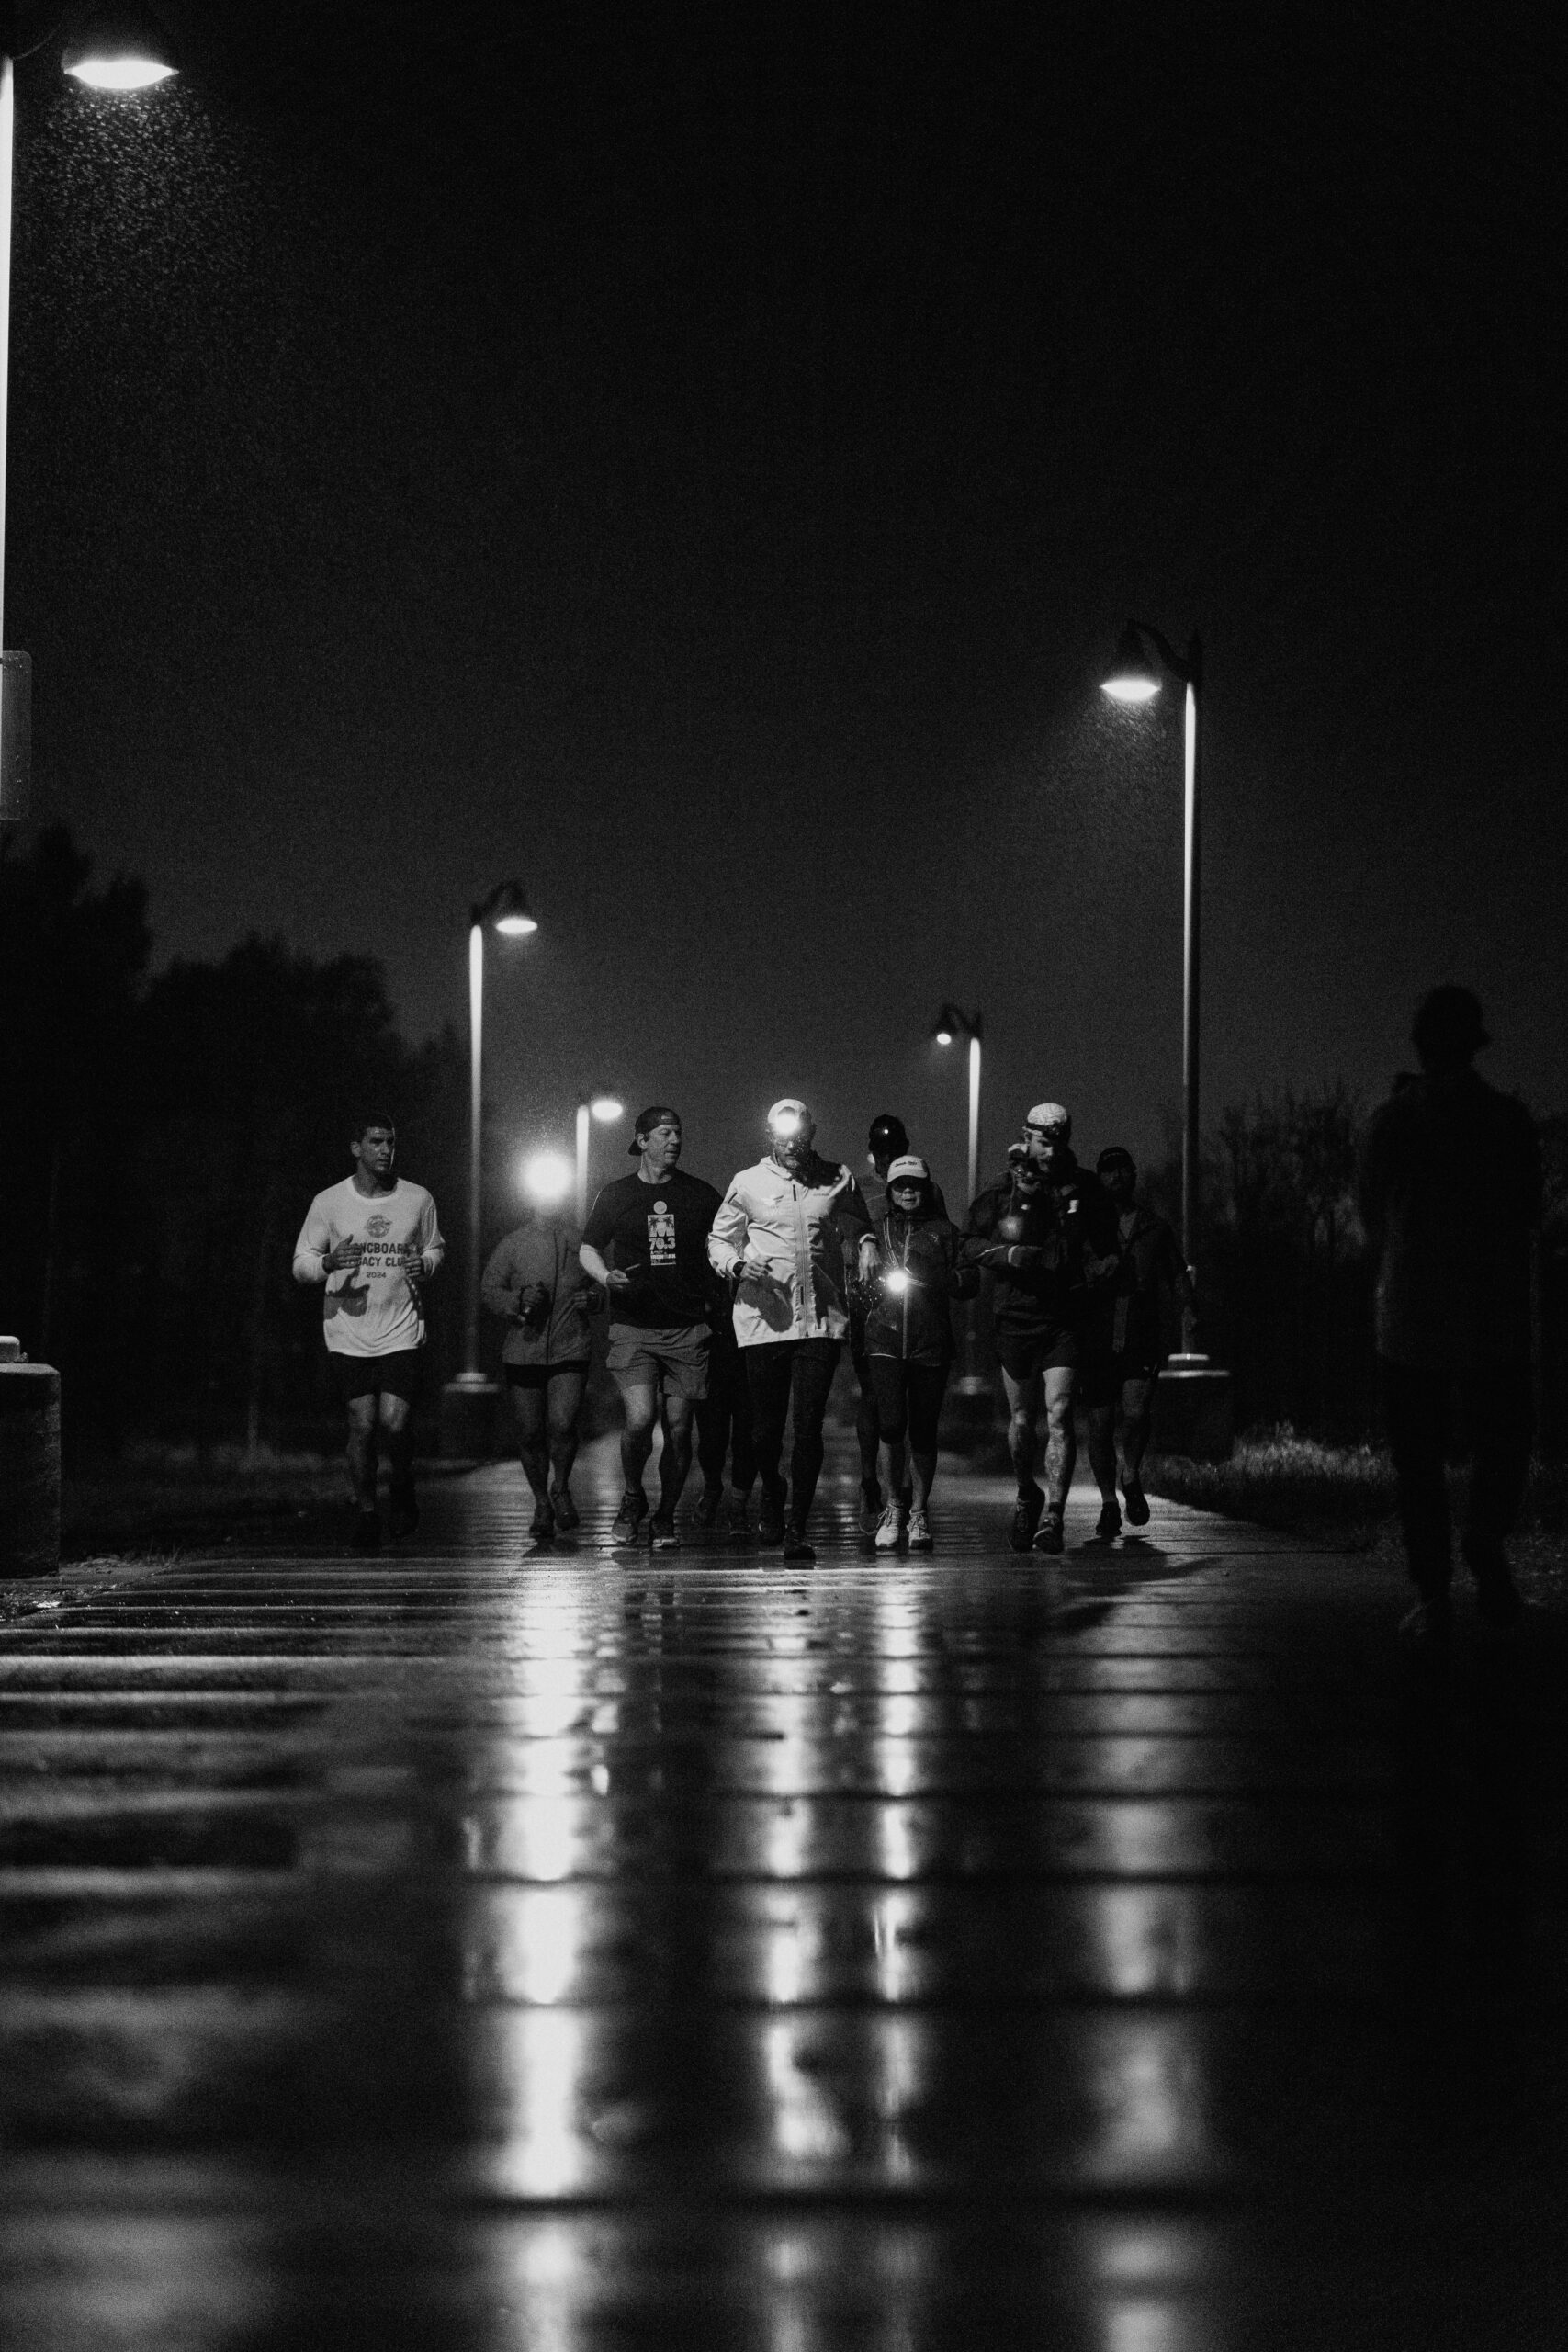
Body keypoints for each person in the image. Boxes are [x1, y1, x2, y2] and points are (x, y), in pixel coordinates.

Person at [1359, 988, 1540, 1646]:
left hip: (1410, 1313)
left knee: (1419, 1464)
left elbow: (1369, 1214)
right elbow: (1528, 1212)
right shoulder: (1507, 1120)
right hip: (1493, 1312)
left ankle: (1432, 1595)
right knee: (1504, 1442)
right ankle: (1485, 1535)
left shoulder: (1391, 1119)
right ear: (1474, 1044)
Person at [708, 1098, 876, 1562]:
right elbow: (719, 1239)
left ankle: (797, 1527)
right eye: (782, 1136)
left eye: (799, 1135)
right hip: (765, 1320)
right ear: (770, 1137)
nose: (791, 1144)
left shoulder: (838, 1176)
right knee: (765, 1432)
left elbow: (859, 1218)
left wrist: (865, 1242)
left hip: (820, 1322)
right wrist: (738, 1264)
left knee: (807, 1429)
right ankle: (772, 1489)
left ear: (812, 1133)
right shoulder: (747, 1182)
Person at [962, 1102, 1120, 1554]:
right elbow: (969, 1243)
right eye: (1044, 1142)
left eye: (1060, 1142)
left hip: (1063, 1319)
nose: (1052, 1151)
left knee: (1061, 1411)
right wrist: (1005, 1256)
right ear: (1028, 1137)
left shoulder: (1084, 1188)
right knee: (1021, 1420)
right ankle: (1025, 1495)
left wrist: (1102, 1271)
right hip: (1015, 1316)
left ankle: (1054, 1514)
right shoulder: (1002, 1189)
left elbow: (1107, 1246)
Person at [292, 1116, 445, 1551]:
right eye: (375, 1142)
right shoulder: (329, 1202)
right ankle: (365, 1513)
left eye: (391, 1142)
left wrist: (427, 1263)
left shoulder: (417, 1198)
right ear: (356, 1147)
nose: (385, 1150)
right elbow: (301, 1261)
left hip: (401, 1328)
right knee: (362, 1425)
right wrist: (326, 1263)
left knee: (394, 1423)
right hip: (348, 1331)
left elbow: (436, 1245)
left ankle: (402, 1486)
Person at [581, 1106, 722, 1551]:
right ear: (641, 1141)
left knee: (679, 1430)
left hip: (687, 1327)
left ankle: (665, 1517)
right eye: (664, 1134)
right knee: (640, 1419)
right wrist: (606, 1277)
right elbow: (589, 1247)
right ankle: (632, 1496)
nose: (674, 1141)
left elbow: (725, 1243)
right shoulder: (617, 1194)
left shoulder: (700, 1195)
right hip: (633, 1325)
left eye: (678, 1133)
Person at [862, 1155, 976, 1551]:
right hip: (884, 1340)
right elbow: (854, 1281)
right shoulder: (875, 1232)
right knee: (891, 1425)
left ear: (926, 1189)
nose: (908, 1191)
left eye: (915, 1184)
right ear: (890, 1191)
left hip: (931, 1343)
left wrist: (939, 1277)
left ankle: (919, 1512)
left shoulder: (946, 1232)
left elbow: (969, 1282)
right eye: (900, 1185)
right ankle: (894, 1505)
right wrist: (865, 1286)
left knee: (924, 1430)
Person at [1081, 1146, 1195, 1540]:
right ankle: (1109, 1504)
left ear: (1133, 1175)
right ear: (1099, 1178)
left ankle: (1131, 1474)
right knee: (1099, 1424)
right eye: (1108, 1171)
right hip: (1096, 1334)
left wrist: (1189, 1307)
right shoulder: (1089, 1226)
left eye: (1122, 1169)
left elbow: (1176, 1272)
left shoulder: (1154, 1226)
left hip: (1141, 1333)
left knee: (1135, 1413)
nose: (1116, 1177)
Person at [851, 1114, 949, 1531]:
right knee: (876, 1398)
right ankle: (871, 1480)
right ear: (872, 1149)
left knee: (912, 1409)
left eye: (897, 1147)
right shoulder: (857, 1188)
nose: (890, 1155)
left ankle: (905, 1494)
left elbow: (938, 1239)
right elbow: (846, 1230)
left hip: (917, 1313)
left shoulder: (927, 1189)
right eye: (883, 1148)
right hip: (870, 1305)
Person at [481, 1198, 601, 1540]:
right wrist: (518, 1300)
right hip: (524, 1349)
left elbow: (603, 1282)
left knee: (563, 1424)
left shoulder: (581, 1242)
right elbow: (489, 1289)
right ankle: (541, 1503)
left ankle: (560, 1488)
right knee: (530, 1432)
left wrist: (594, 1299)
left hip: (570, 1347)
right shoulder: (513, 1243)